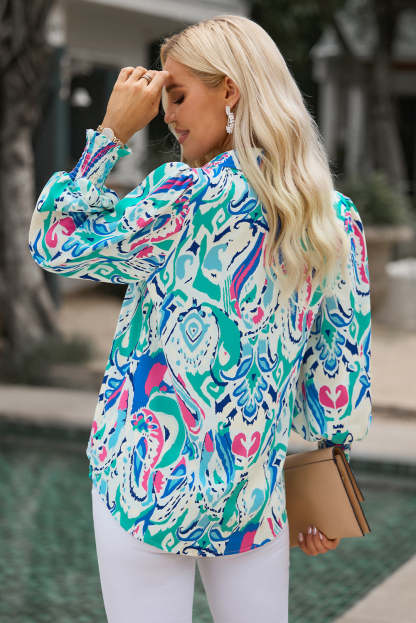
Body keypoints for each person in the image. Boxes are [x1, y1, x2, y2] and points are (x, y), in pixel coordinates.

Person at [28, 14, 371, 623]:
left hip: (144, 485)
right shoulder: (332, 216)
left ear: (230, 91)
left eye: (178, 94)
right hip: (252, 498)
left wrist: (110, 134)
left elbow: (55, 241)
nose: (166, 114)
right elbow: (338, 369)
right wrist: (326, 476)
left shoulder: (179, 195)